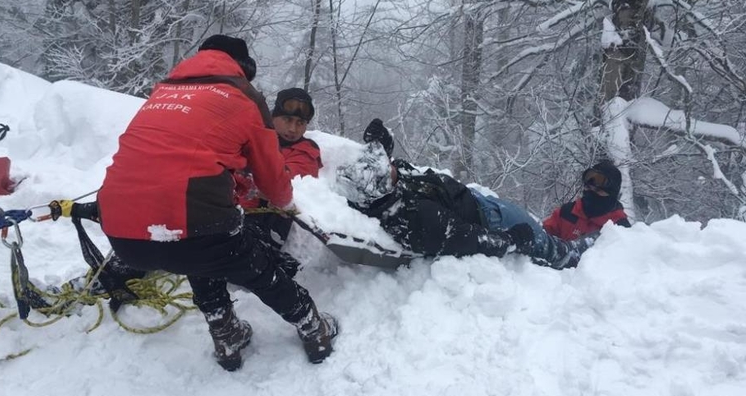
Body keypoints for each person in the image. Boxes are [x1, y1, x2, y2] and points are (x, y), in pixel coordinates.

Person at [97, 35, 337, 371]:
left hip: (120, 230)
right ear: (243, 69)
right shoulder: (242, 96)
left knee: (197, 250)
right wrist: (282, 200)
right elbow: (274, 182)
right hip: (190, 217)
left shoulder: (162, 91)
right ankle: (314, 327)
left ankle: (227, 334)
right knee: (252, 267)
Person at [342, 119, 595, 269]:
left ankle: (562, 246)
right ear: (383, 183)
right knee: (541, 240)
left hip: (473, 200)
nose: (394, 165)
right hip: (492, 219)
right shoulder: (418, 219)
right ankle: (568, 257)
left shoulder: (382, 192)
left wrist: (379, 142)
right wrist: (513, 239)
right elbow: (471, 239)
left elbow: (394, 169)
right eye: (389, 167)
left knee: (538, 230)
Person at [235, 88, 322, 247]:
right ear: (273, 117)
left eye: (300, 123)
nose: (293, 129)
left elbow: (284, 183)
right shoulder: (252, 138)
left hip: (259, 223)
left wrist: (240, 177)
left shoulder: (305, 151)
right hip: (225, 212)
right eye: (287, 119)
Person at [543, 160, 631, 240]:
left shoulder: (620, 228)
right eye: (588, 188)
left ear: (611, 194)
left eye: (597, 190)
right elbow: (544, 236)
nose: (590, 193)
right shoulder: (567, 213)